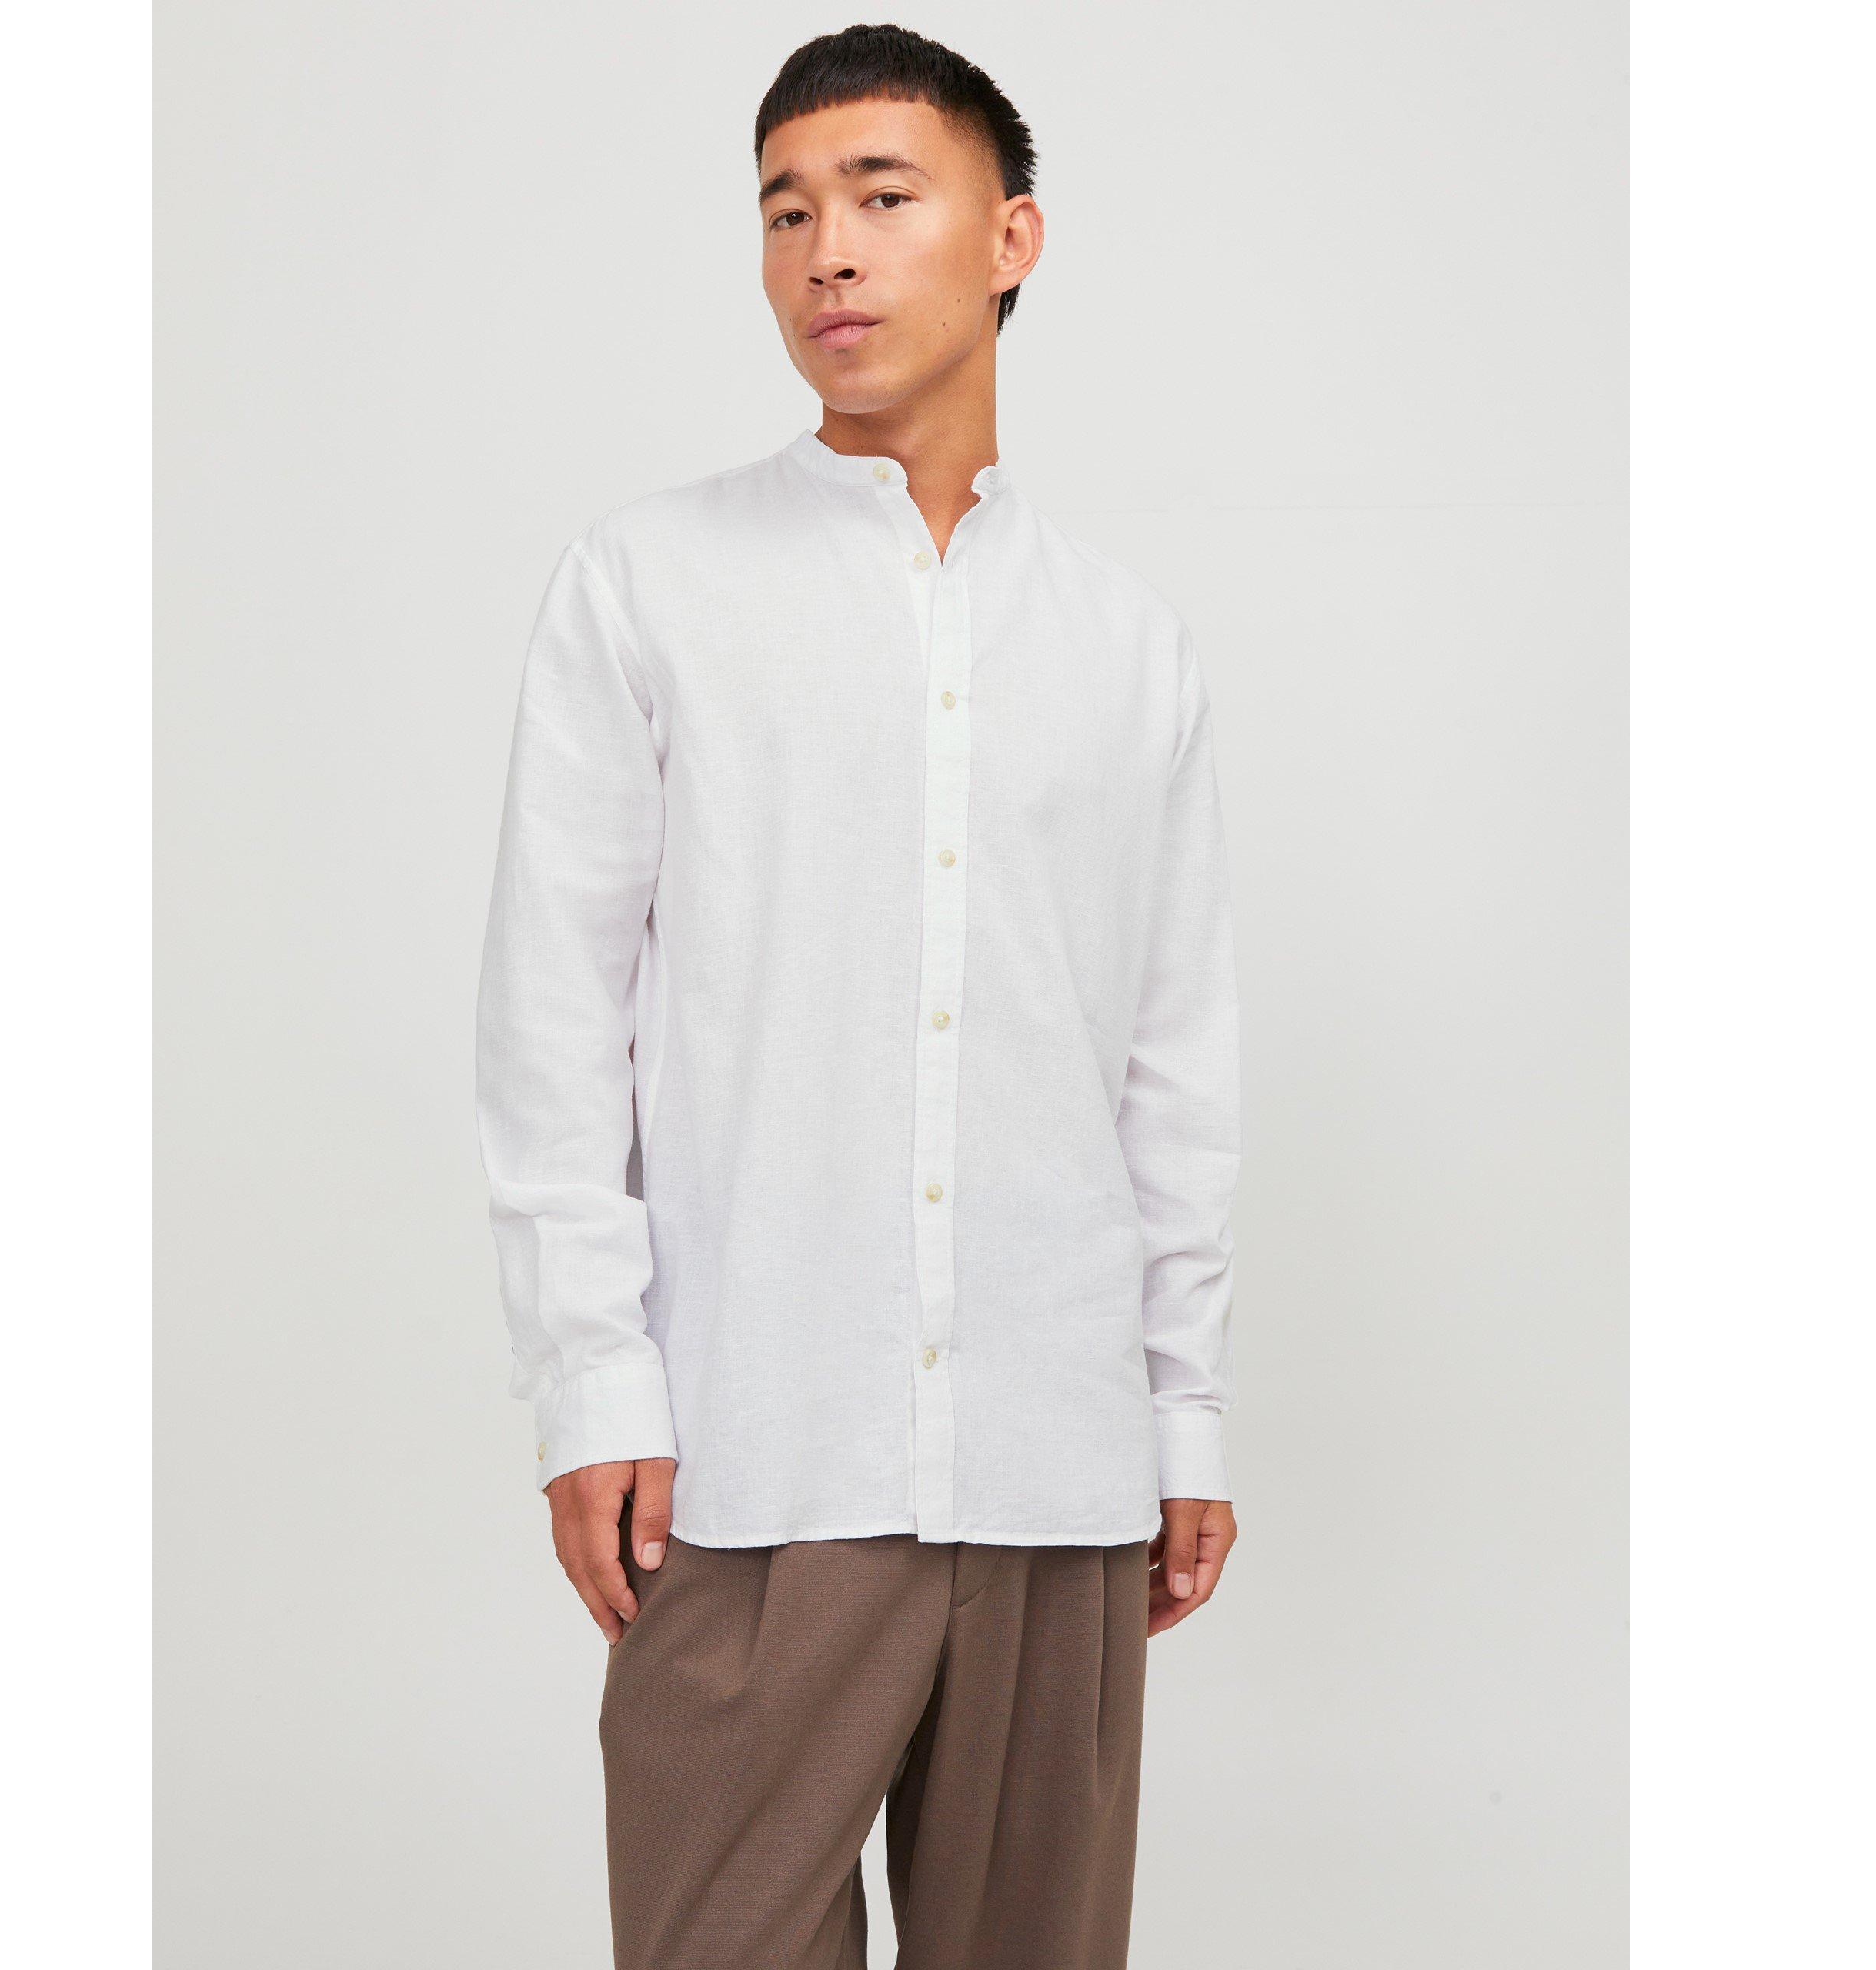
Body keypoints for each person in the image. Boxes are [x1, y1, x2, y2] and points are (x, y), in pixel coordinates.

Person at [476, 23, 1241, 1969]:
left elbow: (1167, 1065)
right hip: (754, 1451)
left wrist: (1181, 1415)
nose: (825, 248)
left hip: (1055, 1460)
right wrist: (591, 1380)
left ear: (1011, 237)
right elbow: (553, 1020)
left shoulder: (1127, 646)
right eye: (785, 210)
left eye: (883, 196)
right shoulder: (644, 585)